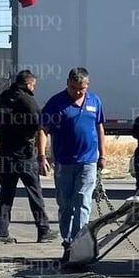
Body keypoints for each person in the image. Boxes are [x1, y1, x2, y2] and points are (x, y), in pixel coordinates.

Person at [37, 67, 106, 254]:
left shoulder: (95, 101)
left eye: (81, 89)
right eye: (73, 87)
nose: (77, 92)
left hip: (88, 161)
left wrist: (103, 155)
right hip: (64, 162)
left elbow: (99, 128)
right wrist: (42, 156)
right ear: (67, 83)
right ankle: (67, 240)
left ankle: (77, 242)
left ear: (87, 86)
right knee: (66, 204)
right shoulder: (56, 103)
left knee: (83, 201)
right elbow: (43, 129)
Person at [0, 70, 58, 245]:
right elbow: (40, 123)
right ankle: (43, 230)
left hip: (5, 152)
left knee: (6, 194)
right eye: (33, 85)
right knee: (34, 193)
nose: (34, 88)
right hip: (23, 154)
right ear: (28, 84)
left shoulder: (3, 97)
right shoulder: (26, 99)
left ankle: (1, 233)